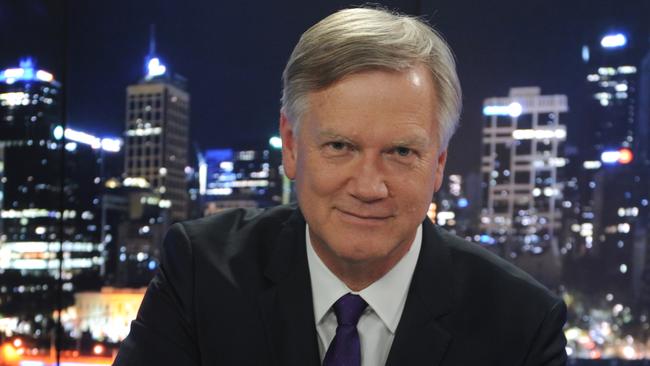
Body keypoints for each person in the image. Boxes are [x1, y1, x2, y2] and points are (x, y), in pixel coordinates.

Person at [114, 7, 567, 366]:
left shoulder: (522, 324)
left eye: (402, 152)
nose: (369, 187)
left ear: (438, 165)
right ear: (291, 146)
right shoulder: (201, 273)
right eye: (340, 146)